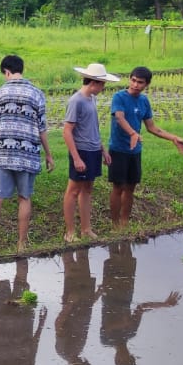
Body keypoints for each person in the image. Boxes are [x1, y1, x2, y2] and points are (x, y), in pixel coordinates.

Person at [0, 54, 54, 254]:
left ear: (6, 72)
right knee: (24, 197)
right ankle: (21, 245)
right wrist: (48, 154)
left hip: (1, 153)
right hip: (27, 154)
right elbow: (42, 128)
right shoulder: (37, 94)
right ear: (21, 69)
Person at [108, 66, 183, 230]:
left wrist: (173, 138)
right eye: (133, 80)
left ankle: (125, 222)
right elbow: (119, 118)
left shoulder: (144, 101)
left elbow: (152, 128)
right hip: (118, 149)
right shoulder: (119, 97)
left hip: (135, 151)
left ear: (147, 84)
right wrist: (132, 133)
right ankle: (115, 224)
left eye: (140, 82)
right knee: (118, 186)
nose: (135, 85)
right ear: (129, 79)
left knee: (131, 187)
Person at [61, 63, 118, 242]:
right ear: (94, 82)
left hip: (93, 150)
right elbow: (67, 131)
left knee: (88, 189)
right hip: (82, 151)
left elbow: (92, 127)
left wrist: (103, 150)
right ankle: (70, 232)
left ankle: (86, 229)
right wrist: (76, 158)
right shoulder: (76, 101)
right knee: (73, 190)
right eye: (102, 84)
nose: (103, 88)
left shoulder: (92, 99)